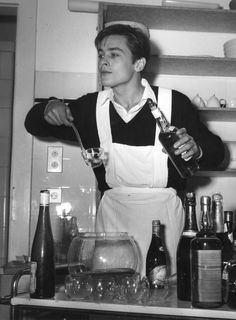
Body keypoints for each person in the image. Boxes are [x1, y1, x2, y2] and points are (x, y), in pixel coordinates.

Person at [25, 23, 225, 277]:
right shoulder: (89, 109)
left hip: (164, 221)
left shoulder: (174, 104)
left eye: (114, 54)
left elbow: (218, 153)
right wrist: (48, 107)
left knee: (164, 300)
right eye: (101, 54)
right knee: (114, 296)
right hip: (113, 226)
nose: (103, 62)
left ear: (139, 64)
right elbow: (32, 123)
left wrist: (197, 150)